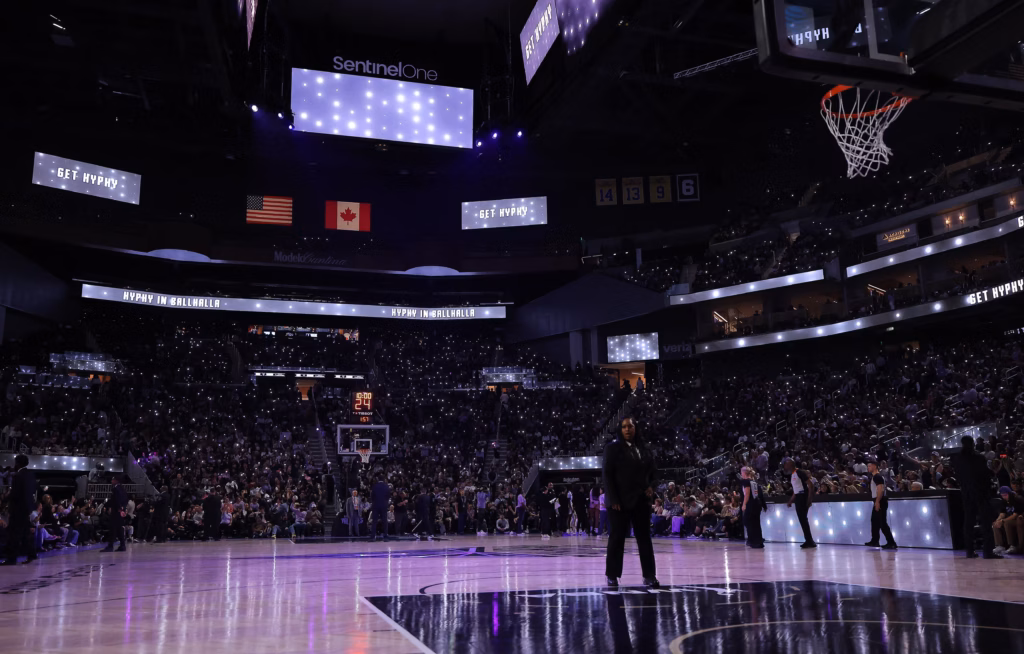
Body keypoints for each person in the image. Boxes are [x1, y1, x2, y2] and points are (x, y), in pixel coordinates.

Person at [603, 417, 659, 588]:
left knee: (644, 540)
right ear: (620, 430)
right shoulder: (612, 448)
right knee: (617, 539)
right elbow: (607, 475)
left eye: (631, 426)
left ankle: (649, 576)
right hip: (619, 502)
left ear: (635, 428)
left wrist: (651, 486)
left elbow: (654, 473)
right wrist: (613, 499)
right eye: (624, 427)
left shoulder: (645, 449)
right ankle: (612, 575)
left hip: (641, 501)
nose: (628, 429)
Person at [951, 435, 1001, 558]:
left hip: (966, 493)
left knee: (968, 522)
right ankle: (988, 551)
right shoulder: (979, 458)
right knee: (985, 522)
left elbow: (958, 476)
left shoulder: (957, 459)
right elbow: (985, 475)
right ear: (973, 443)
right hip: (981, 493)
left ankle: (969, 551)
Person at [2, 454, 37, 565]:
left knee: (13, 534)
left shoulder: (18, 476)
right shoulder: (30, 475)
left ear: (18, 463)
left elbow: (16, 494)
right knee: (25, 533)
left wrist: (6, 497)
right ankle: (32, 554)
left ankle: (11, 558)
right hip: (26, 509)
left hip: (17, 509)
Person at [863, 460, 897, 549]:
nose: (868, 468)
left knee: (882, 523)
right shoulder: (875, 477)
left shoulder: (877, 477)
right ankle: (875, 541)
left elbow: (880, 490)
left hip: (880, 500)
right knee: (874, 521)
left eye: (869, 466)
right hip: (878, 500)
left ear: (875, 466)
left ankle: (891, 542)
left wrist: (877, 501)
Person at [784, 458, 816, 548]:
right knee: (802, 520)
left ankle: (810, 541)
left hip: (803, 497)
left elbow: (810, 485)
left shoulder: (800, 472)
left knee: (803, 520)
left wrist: (809, 499)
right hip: (798, 497)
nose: (785, 466)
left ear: (790, 465)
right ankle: (808, 540)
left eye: (786, 464)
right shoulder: (793, 474)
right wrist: (791, 500)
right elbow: (796, 490)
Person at [740, 467, 766, 548]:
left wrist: (744, 504)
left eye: (741, 472)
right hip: (756, 504)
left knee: (747, 521)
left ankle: (753, 541)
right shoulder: (754, 481)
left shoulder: (746, 481)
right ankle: (758, 541)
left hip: (750, 504)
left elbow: (747, 494)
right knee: (756, 523)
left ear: (744, 473)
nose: (741, 474)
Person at [993, 486, 1024, 554]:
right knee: (995, 523)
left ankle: (1012, 545)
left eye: (1005, 495)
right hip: (1010, 518)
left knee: (1007, 523)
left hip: (1018, 519)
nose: (1004, 497)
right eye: (1002, 495)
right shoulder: (1004, 501)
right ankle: (999, 545)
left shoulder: (1017, 499)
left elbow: (1015, 515)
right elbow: (1002, 513)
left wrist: (1003, 521)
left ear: (1009, 493)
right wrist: (998, 520)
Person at [102, 474, 128, 552]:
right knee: (120, 529)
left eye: (113, 479)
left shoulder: (115, 489)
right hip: (121, 511)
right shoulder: (123, 489)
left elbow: (115, 500)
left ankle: (110, 546)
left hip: (116, 511)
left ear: (116, 480)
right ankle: (122, 545)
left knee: (113, 529)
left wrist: (108, 506)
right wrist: (123, 508)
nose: (111, 481)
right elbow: (125, 500)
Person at [369, 477, 391, 542]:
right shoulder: (386, 486)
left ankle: (373, 536)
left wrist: (374, 502)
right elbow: (388, 496)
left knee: (374, 521)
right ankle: (385, 536)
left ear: (378, 480)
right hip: (384, 506)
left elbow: (372, 496)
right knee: (385, 521)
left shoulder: (374, 486)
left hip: (375, 505)